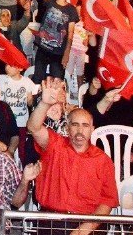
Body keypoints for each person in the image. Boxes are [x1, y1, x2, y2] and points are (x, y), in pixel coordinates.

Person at [27, 77, 118, 232]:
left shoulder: (103, 160)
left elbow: (108, 201)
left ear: (92, 129)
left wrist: (84, 229)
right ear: (67, 128)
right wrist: (45, 103)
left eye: (85, 126)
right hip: (51, 222)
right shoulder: (54, 145)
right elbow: (34, 127)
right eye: (75, 125)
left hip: (89, 223)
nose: (80, 131)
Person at [20, 0, 78, 81]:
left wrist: (66, 54)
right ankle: (36, 96)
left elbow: (70, 34)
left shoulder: (71, 10)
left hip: (58, 53)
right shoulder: (50, 1)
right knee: (38, 77)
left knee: (57, 79)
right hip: (43, 49)